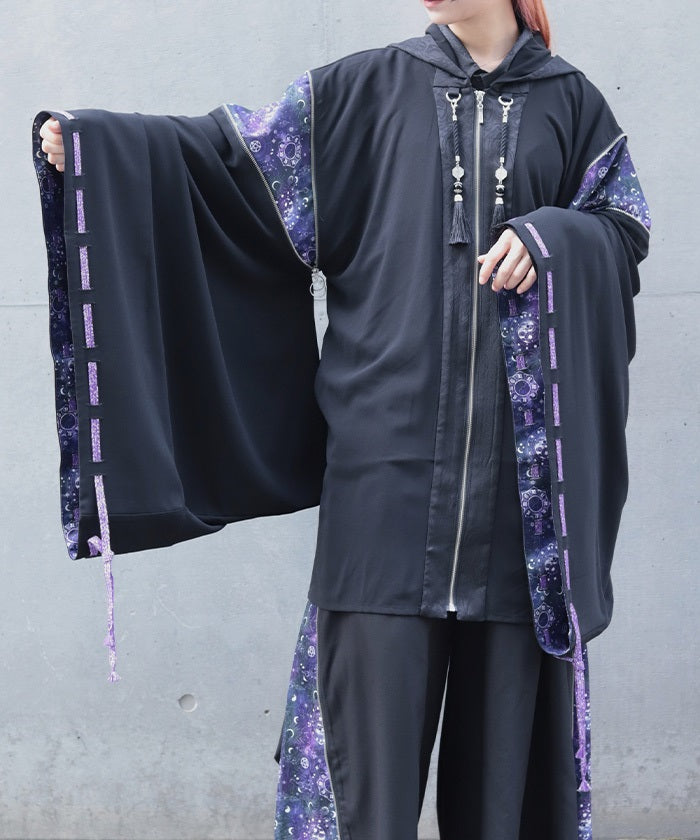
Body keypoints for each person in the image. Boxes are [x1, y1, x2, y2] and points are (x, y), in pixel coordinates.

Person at [33, 0, 650, 837]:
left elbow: (621, 231)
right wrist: (99, 150)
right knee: (357, 803)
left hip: (521, 513)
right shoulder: (363, 90)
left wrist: (554, 238)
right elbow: (230, 164)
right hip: (383, 497)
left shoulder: (573, 104)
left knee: (503, 806)